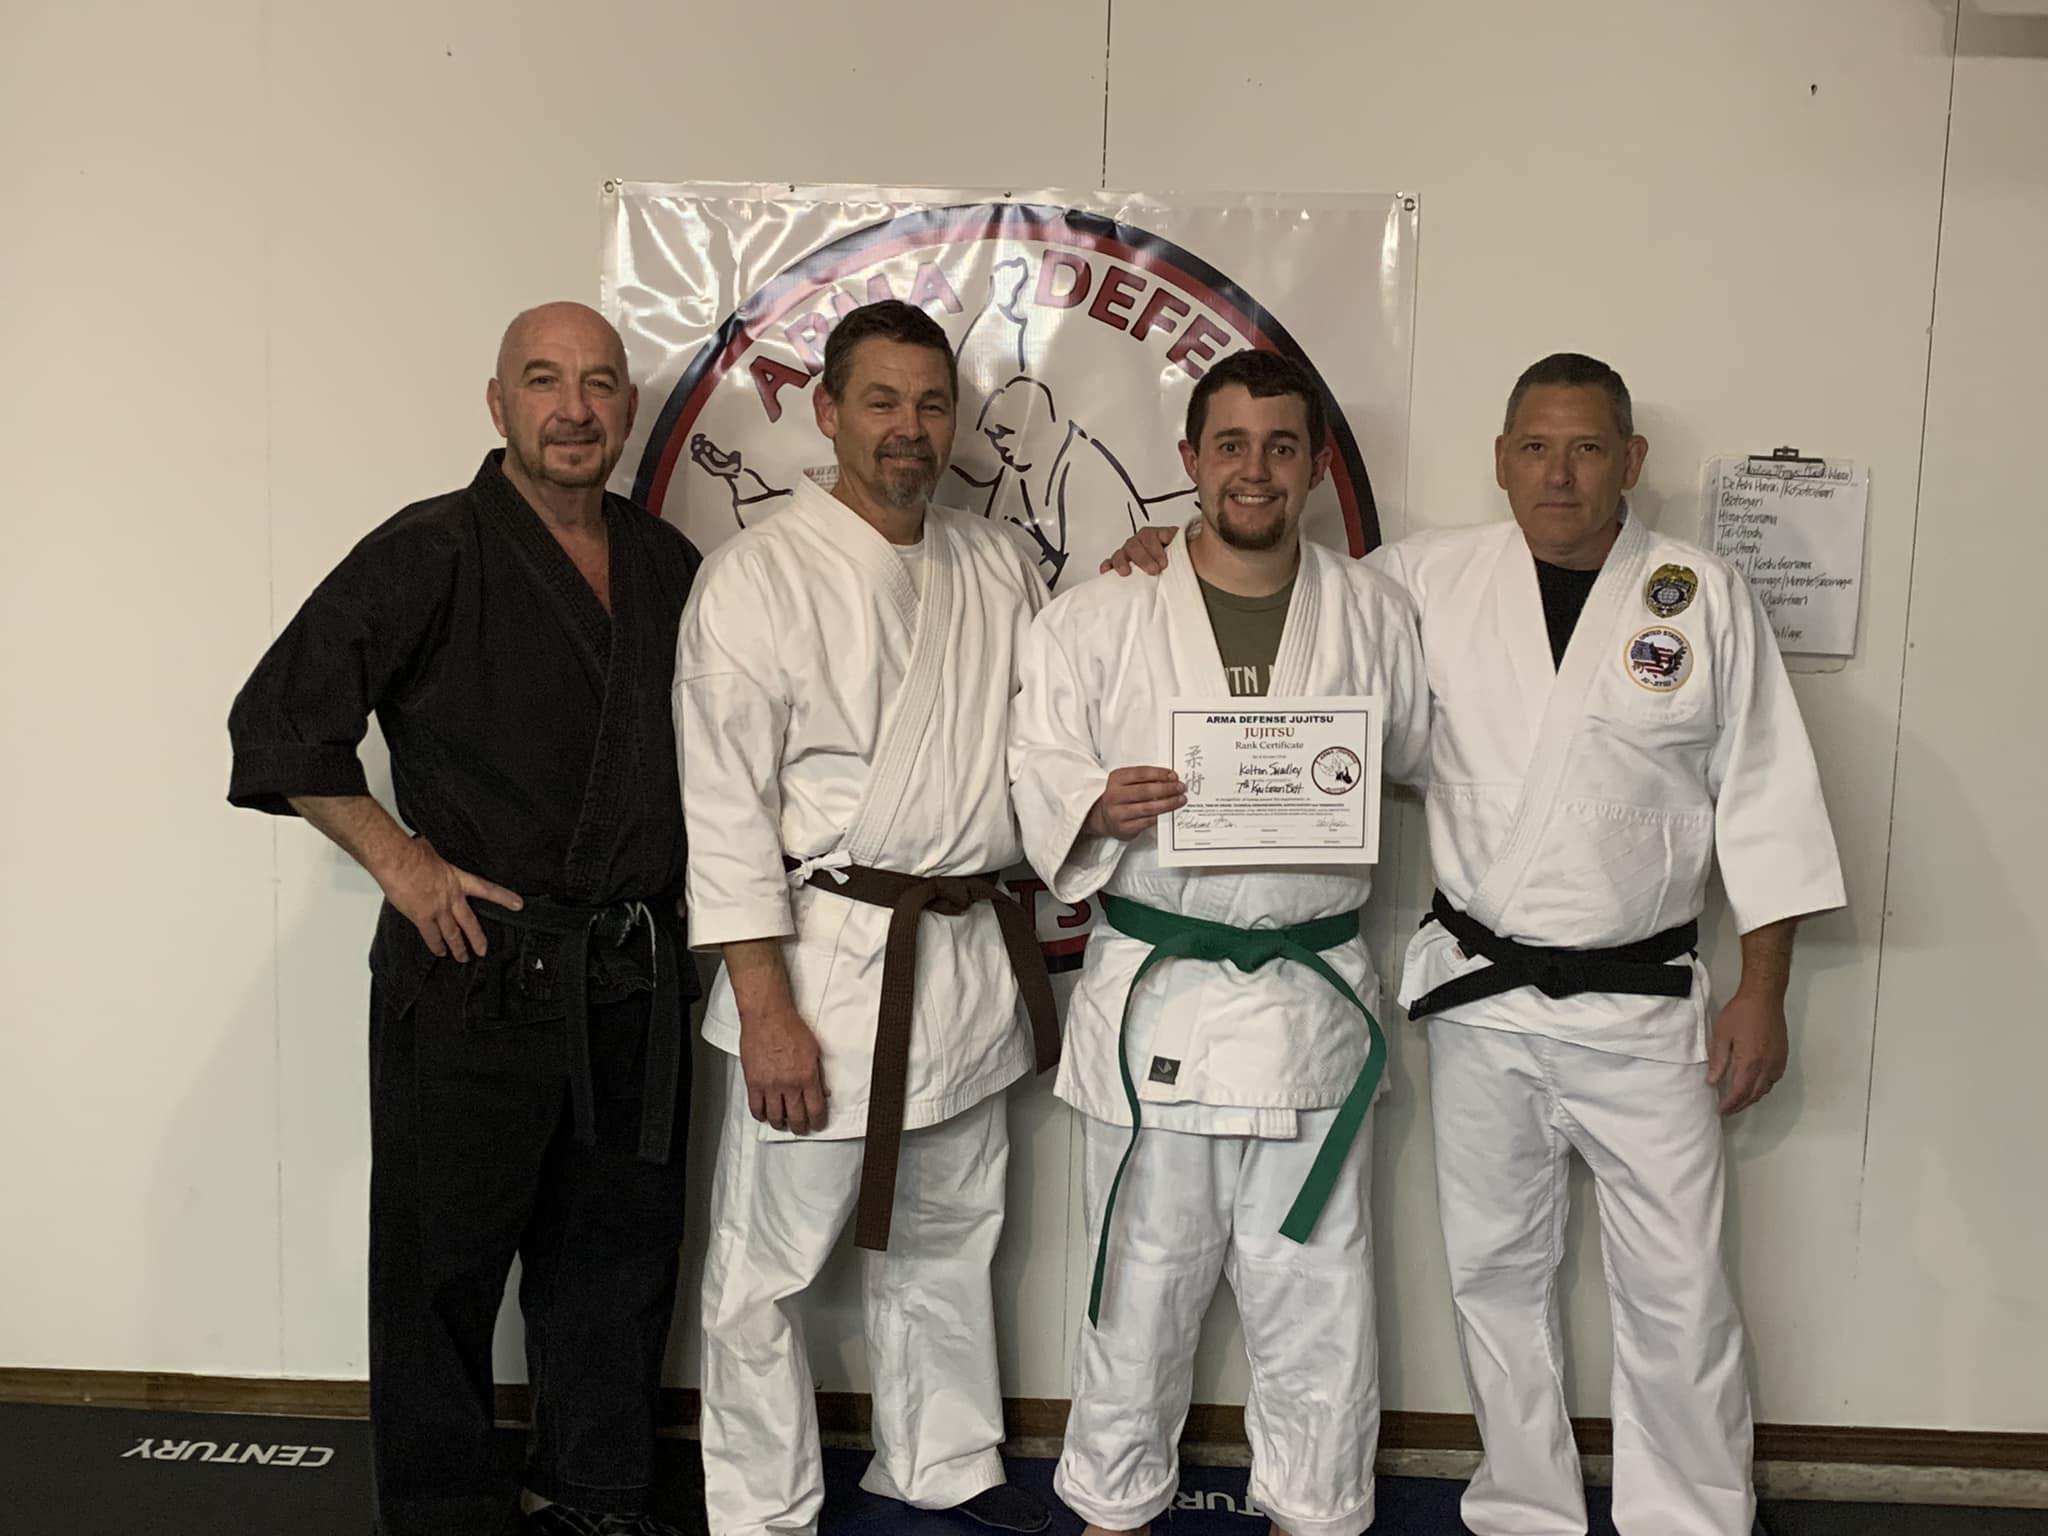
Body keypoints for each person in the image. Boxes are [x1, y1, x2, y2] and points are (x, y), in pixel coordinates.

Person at [1107, 353, 1846, 1536]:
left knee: (1679, 1285)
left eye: (1587, 447)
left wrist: (1761, 992)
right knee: (1493, 1273)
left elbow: (1766, 801)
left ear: (1630, 462)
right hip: (1480, 996)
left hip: (1644, 997)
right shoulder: (1423, 580)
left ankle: (1692, 1515)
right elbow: (1278, 588)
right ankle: (1523, 1504)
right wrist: (1150, 560)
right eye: (1534, 446)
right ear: (1498, 459)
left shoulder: (1697, 595)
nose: (1559, 472)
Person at [226, 302, 702, 1536]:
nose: (574, 409)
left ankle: (596, 1487)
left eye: (600, 384)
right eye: (543, 381)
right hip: (472, 971)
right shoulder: (428, 549)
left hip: (629, 977)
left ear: (627, 410)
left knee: (613, 1258)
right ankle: (441, 1507)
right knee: (440, 1268)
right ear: (496, 405)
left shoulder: (666, 565)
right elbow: (279, 718)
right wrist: (401, 860)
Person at [1012, 350, 1429, 1536]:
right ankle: (1109, 1502)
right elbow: (1033, 765)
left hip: (1309, 997)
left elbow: (1419, 759)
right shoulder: (1095, 616)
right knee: (1140, 1277)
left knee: (1317, 1284)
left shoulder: (1373, 608)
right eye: (1229, 445)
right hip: (1160, 993)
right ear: (1188, 460)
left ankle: (1316, 1506)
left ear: (1311, 466)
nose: (1254, 470)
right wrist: (1092, 804)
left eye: (1280, 446)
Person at [675, 299, 1059, 1536]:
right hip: (826, 966)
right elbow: (723, 812)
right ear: (827, 411)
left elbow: (1063, 717)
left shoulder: (996, 562)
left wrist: (1144, 571)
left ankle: (940, 1463)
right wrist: (764, 1009)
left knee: (949, 1242)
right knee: (767, 1271)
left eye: (932, 403)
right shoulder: (757, 577)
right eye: (881, 402)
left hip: (958, 960)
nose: (909, 428)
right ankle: (760, 1503)